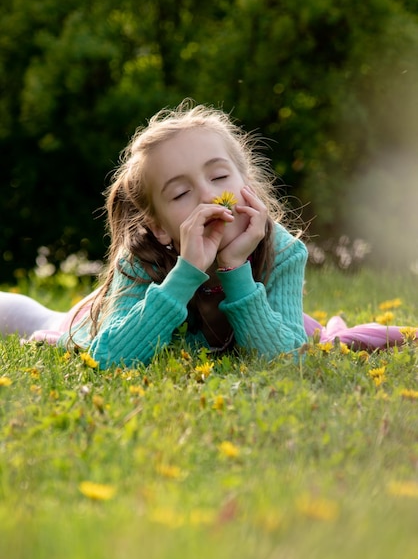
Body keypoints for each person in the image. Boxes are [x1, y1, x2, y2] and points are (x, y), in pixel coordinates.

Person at [0, 101, 416, 367]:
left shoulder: (283, 252)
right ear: (159, 226)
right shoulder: (141, 259)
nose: (209, 196)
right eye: (181, 193)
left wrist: (235, 270)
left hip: (242, 282)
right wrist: (185, 274)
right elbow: (110, 357)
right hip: (102, 319)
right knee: (42, 318)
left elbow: (289, 361)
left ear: (246, 183)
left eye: (219, 176)